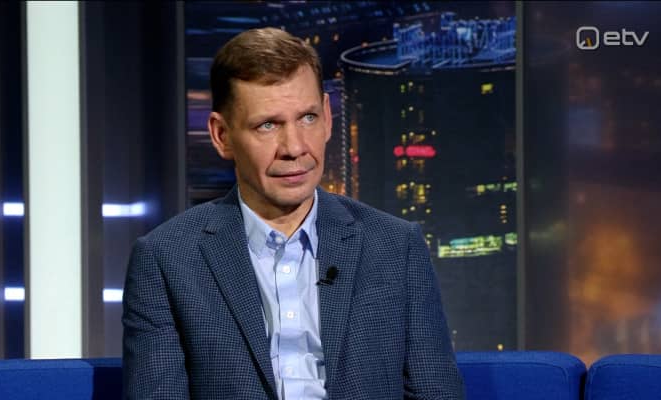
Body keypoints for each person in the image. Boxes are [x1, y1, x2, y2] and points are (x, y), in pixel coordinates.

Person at [122, 27, 464, 400]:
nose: (295, 148)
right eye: (267, 125)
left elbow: (436, 393)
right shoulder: (167, 260)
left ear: (328, 117)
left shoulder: (396, 246)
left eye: (307, 118)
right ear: (222, 135)